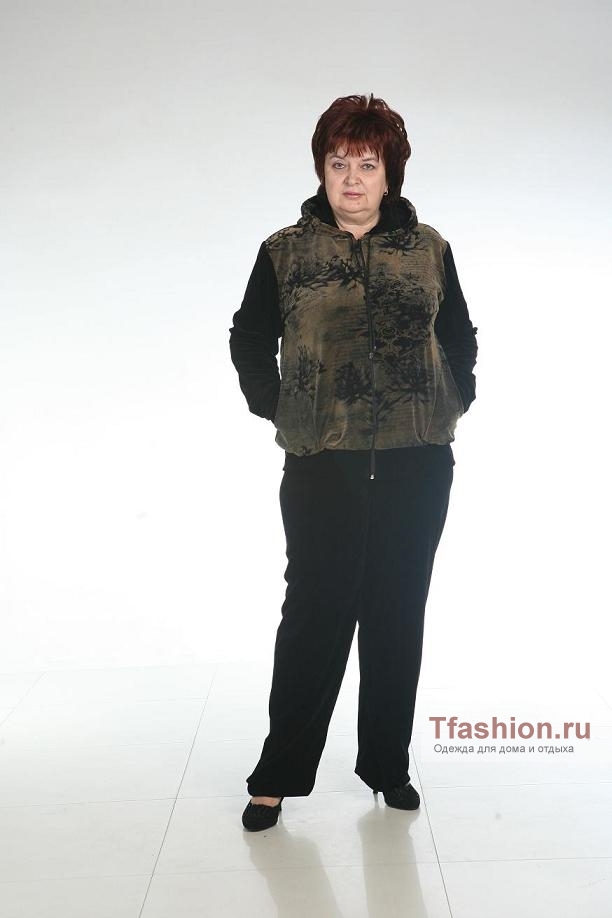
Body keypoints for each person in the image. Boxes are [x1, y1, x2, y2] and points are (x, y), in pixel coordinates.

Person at [229, 94, 478, 832]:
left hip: (417, 461)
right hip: (323, 462)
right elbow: (250, 337)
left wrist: (453, 397)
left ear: (390, 171)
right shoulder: (285, 252)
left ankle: (387, 765)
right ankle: (277, 776)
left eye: (367, 164)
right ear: (321, 169)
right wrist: (280, 405)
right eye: (338, 163)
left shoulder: (429, 249)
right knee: (315, 614)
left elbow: (460, 334)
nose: (352, 179)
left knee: (398, 613)